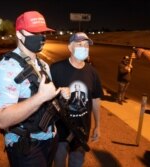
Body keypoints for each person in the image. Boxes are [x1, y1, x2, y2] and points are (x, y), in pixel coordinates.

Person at [0, 11, 67, 167]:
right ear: (19, 34)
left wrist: (59, 97)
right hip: (26, 146)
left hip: (50, 139)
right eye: (35, 32)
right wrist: (40, 98)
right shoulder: (6, 68)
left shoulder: (43, 64)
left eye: (43, 32)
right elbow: (0, 119)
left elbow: (46, 100)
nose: (41, 37)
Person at [50, 32, 103, 167]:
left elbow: (96, 100)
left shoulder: (93, 73)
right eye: (79, 44)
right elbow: (44, 98)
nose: (84, 48)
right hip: (60, 130)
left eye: (86, 45)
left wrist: (98, 125)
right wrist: (58, 95)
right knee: (59, 163)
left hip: (82, 131)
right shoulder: (55, 69)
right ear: (70, 47)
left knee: (77, 163)